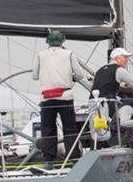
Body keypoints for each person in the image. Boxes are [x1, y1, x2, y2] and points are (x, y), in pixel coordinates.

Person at [32, 30, 90, 169]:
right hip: (65, 97)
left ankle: (49, 160)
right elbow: (80, 74)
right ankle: (74, 158)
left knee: (48, 129)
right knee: (69, 128)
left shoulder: (41, 55)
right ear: (62, 41)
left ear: (48, 42)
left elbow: (34, 76)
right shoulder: (69, 54)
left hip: (47, 99)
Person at [90, 47, 133, 118]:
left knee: (96, 128)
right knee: (115, 125)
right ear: (117, 58)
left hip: (92, 103)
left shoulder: (99, 70)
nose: (127, 60)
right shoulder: (118, 70)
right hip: (106, 104)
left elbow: (101, 86)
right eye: (125, 57)